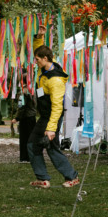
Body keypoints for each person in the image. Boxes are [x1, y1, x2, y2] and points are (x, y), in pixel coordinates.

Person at [29, 25, 79, 188]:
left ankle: (72, 177)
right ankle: (43, 178)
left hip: (51, 118)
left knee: (50, 147)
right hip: (44, 116)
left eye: (37, 59)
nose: (35, 62)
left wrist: (51, 129)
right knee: (33, 144)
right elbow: (39, 50)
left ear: (44, 59)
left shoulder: (55, 80)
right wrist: (39, 37)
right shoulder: (44, 67)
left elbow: (57, 107)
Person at [16, 70, 37, 163]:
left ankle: (24, 157)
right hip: (32, 116)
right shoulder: (32, 89)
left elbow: (21, 107)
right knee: (31, 138)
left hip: (25, 118)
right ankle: (31, 156)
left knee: (24, 138)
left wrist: (17, 118)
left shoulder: (23, 91)